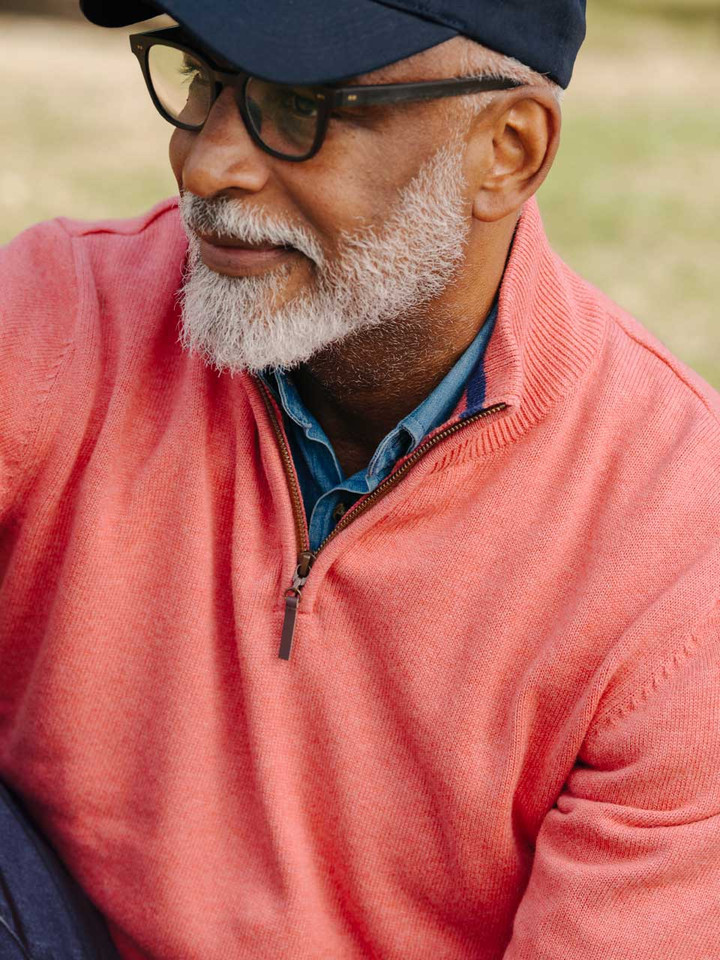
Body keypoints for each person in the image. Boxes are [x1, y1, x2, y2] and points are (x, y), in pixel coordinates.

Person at [0, 0, 718, 957]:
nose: (207, 166)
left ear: (507, 150)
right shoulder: (55, 318)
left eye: (301, 109)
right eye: (203, 80)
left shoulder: (679, 554)